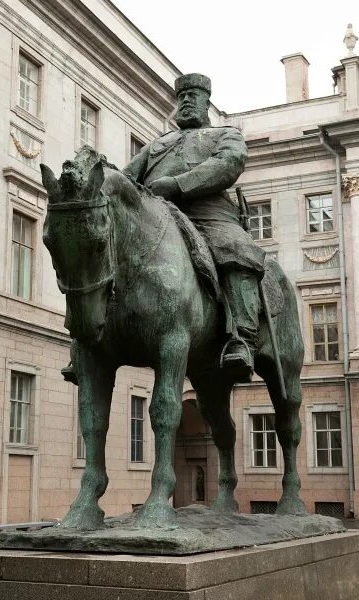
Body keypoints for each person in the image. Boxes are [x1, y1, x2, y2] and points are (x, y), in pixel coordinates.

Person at [123, 73, 265, 382]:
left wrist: (177, 184)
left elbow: (227, 165)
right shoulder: (156, 145)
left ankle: (242, 338)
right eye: (181, 96)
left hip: (210, 215)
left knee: (237, 250)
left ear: (207, 103)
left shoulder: (224, 134)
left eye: (194, 95)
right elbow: (127, 179)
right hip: (158, 216)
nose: (186, 100)